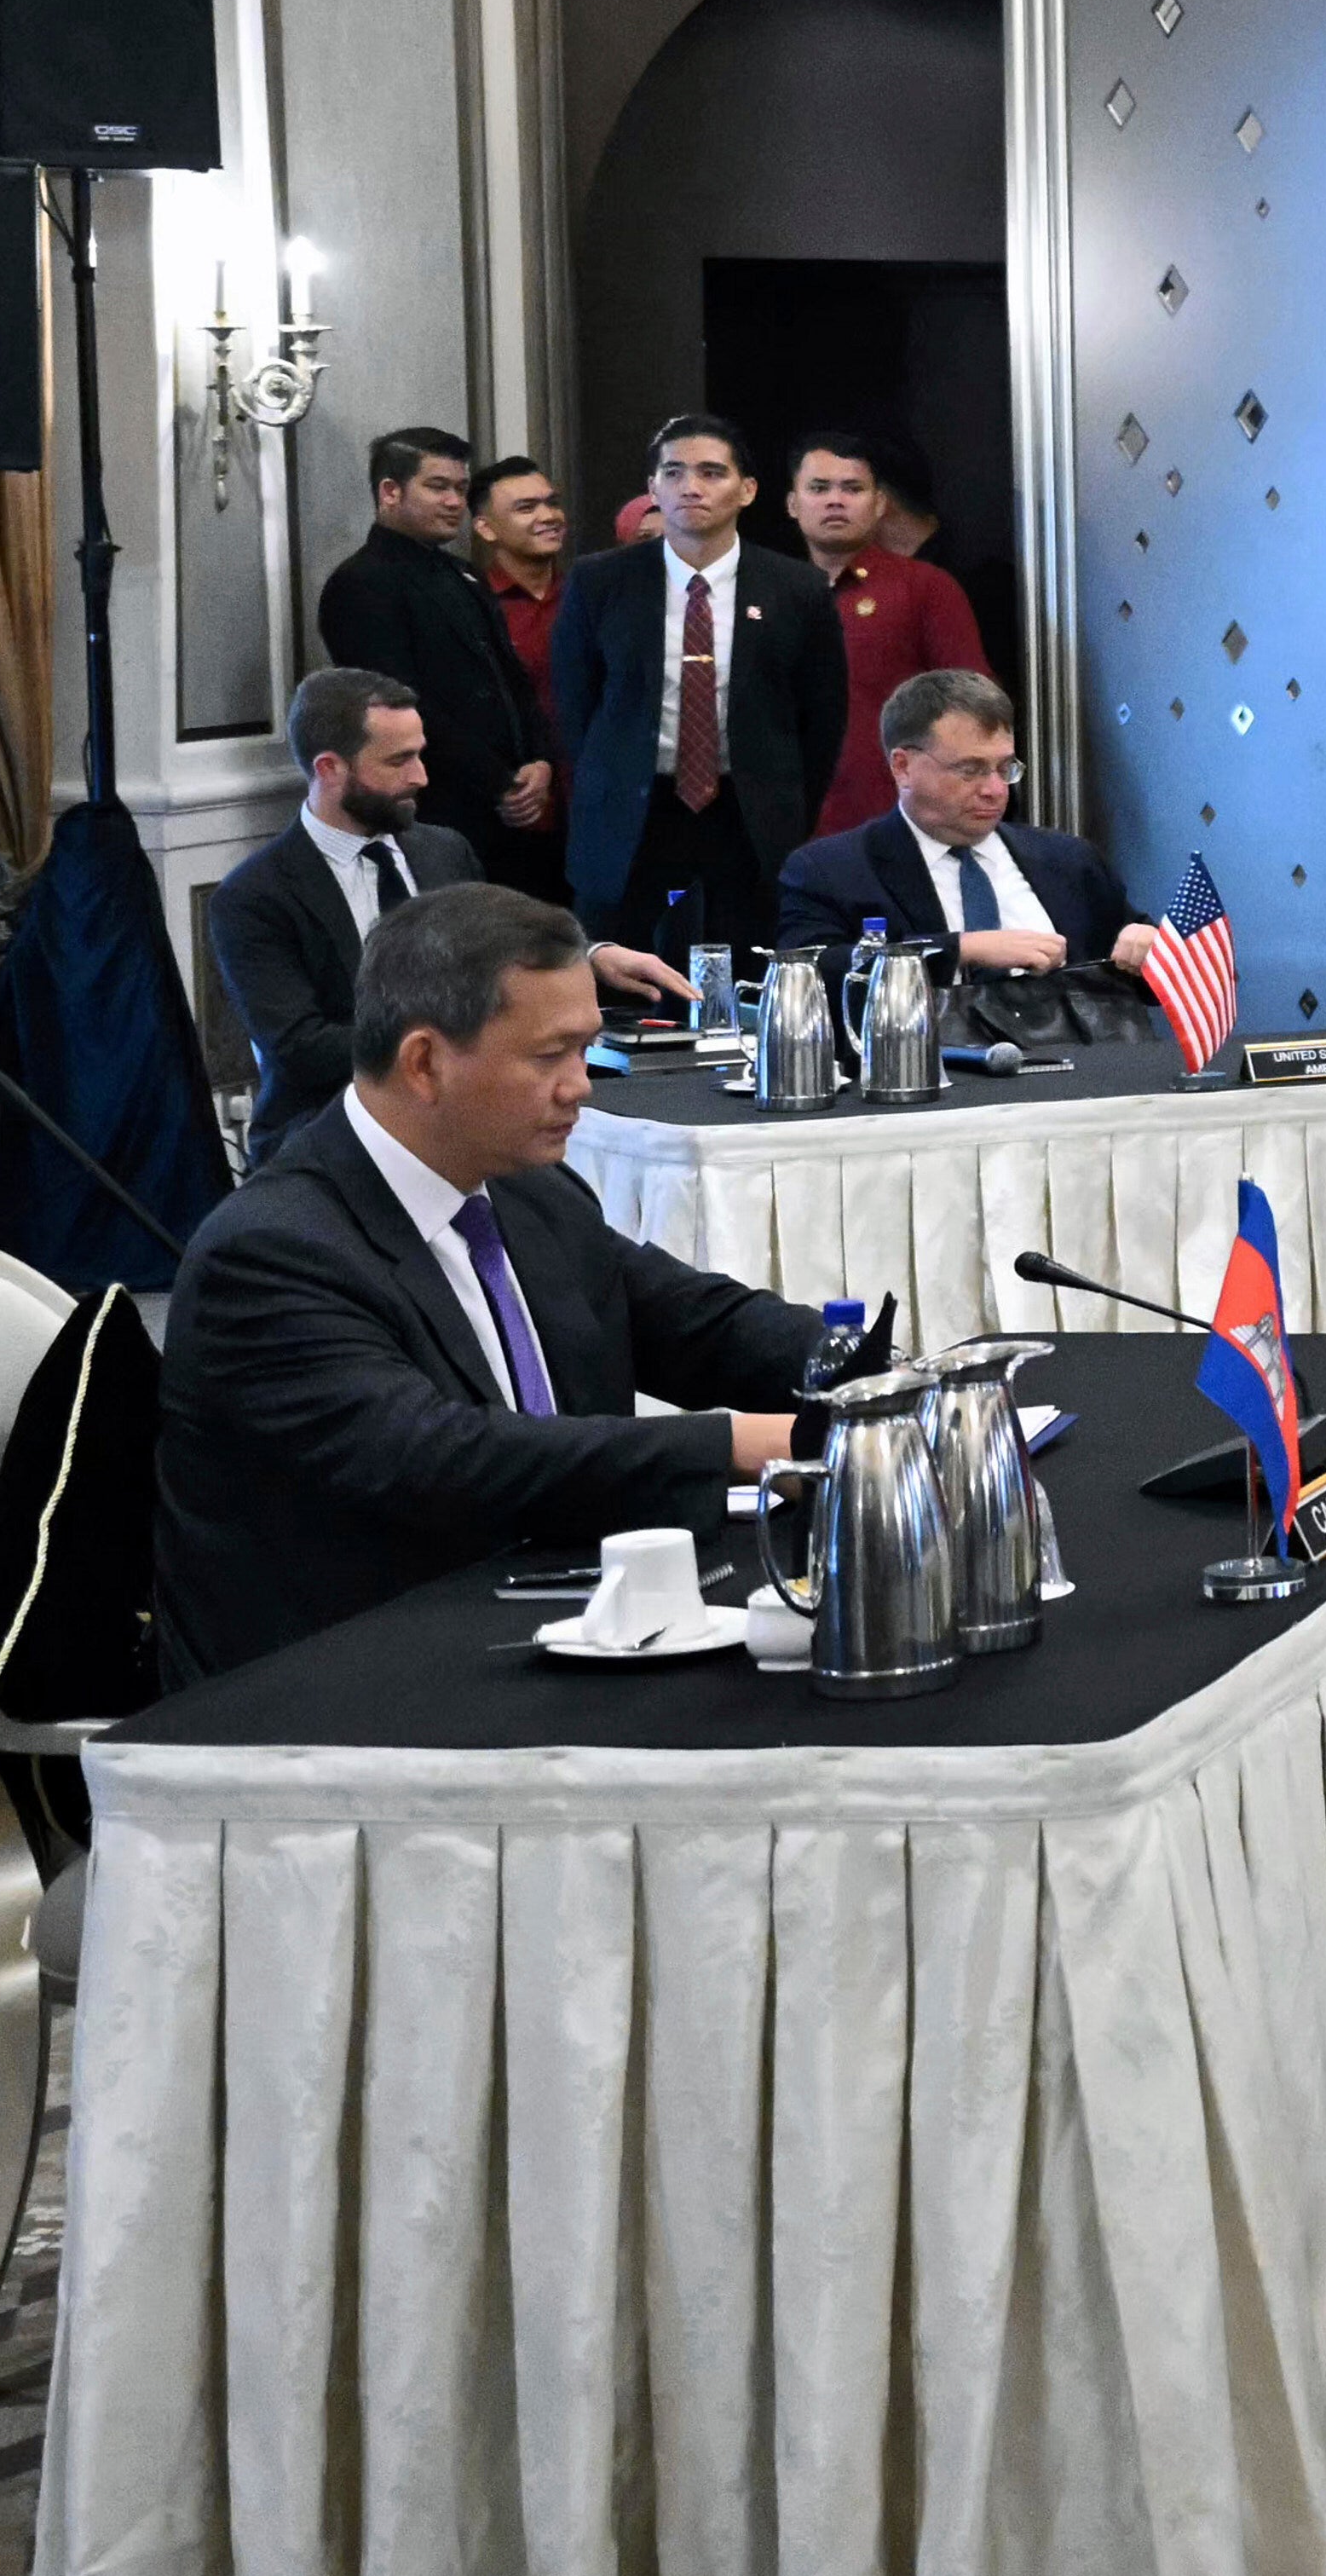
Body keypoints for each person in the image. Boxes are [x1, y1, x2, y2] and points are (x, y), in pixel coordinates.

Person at [152, 885, 831, 1680]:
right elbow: (441, 1458)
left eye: (584, 1049)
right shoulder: (270, 1253)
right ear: (426, 1063)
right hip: (344, 1679)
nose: (580, 1085)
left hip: (539, 1613)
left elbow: (693, 1321)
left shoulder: (523, 1188)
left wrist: (867, 1375)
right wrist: (745, 1445)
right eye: (550, 1056)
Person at [207, 667, 680, 1143]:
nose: (421, 776)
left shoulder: (443, 851)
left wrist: (593, 956)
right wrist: (457, 1043)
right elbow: (301, 1049)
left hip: (468, 1115)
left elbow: (500, 945)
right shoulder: (256, 897)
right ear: (330, 769)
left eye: (420, 755)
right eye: (399, 761)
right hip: (329, 1131)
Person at [549, 413, 844, 970]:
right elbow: (575, 703)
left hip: (746, 810)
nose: (692, 487)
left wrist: (785, 801)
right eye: (675, 472)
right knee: (618, 981)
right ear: (653, 487)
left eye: (712, 473)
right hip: (634, 808)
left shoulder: (796, 587)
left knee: (749, 977)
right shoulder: (601, 581)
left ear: (747, 490)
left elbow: (821, 717)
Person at [772, 673, 1139, 1043]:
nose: (995, 790)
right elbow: (809, 977)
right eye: (971, 770)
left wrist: (1146, 943)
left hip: (1078, 1079)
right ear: (903, 767)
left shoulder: (1068, 860)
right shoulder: (831, 870)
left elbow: (1140, 966)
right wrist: (960, 950)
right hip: (925, 1079)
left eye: (1005, 768)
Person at [311, 424, 549, 874]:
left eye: (460, 488)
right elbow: (399, 704)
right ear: (390, 491)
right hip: (436, 809)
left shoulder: (465, 574)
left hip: (514, 808)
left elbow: (513, 679)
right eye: (437, 487)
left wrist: (539, 761)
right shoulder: (362, 583)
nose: (455, 502)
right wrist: (500, 782)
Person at [787, 436, 991, 843]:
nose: (835, 500)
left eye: (853, 488)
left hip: (898, 825)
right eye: (819, 488)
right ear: (793, 504)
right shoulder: (768, 595)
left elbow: (975, 710)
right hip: (790, 828)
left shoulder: (925, 588)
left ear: (880, 504)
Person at [466, 454, 575, 901]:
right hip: (513, 812)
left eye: (551, 503)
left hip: (591, 807)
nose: (548, 516)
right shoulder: (471, 605)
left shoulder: (589, 594)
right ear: (486, 528)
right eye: (526, 507)